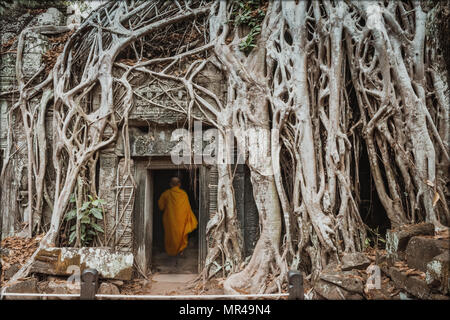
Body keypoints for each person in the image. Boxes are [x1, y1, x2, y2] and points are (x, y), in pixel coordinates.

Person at [158, 177, 198, 256]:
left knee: (170, 235)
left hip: (169, 219)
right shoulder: (183, 194)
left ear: (170, 184)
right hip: (181, 219)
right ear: (179, 184)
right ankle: (180, 250)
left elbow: (161, 207)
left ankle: (170, 251)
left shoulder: (166, 194)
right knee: (181, 234)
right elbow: (187, 208)